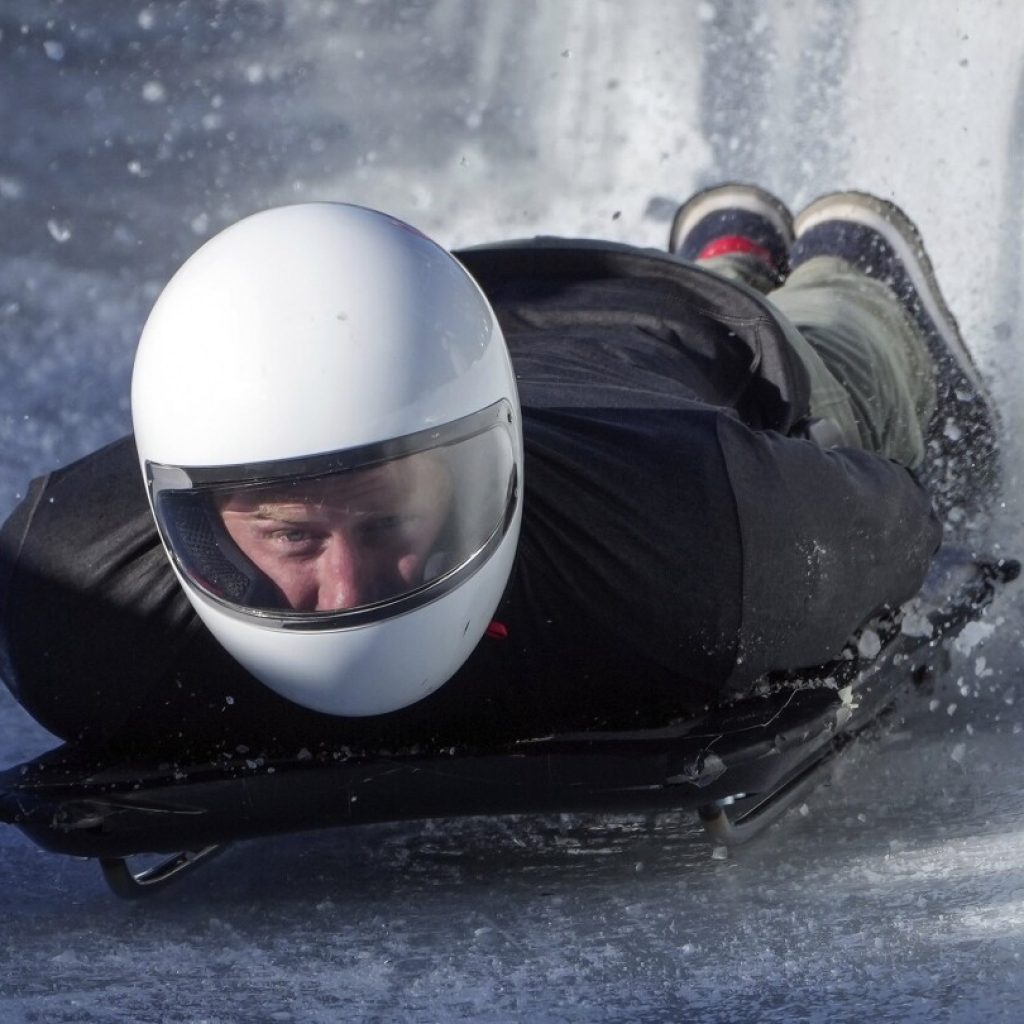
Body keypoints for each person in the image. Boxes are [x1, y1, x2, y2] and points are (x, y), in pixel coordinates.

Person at [0, 185, 998, 761]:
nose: (348, 592)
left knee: (842, 369)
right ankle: (729, 246)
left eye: (389, 523)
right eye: (293, 536)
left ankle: (836, 258)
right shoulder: (69, 605)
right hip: (464, 316)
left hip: (671, 352)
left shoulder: (710, 541)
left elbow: (903, 518)